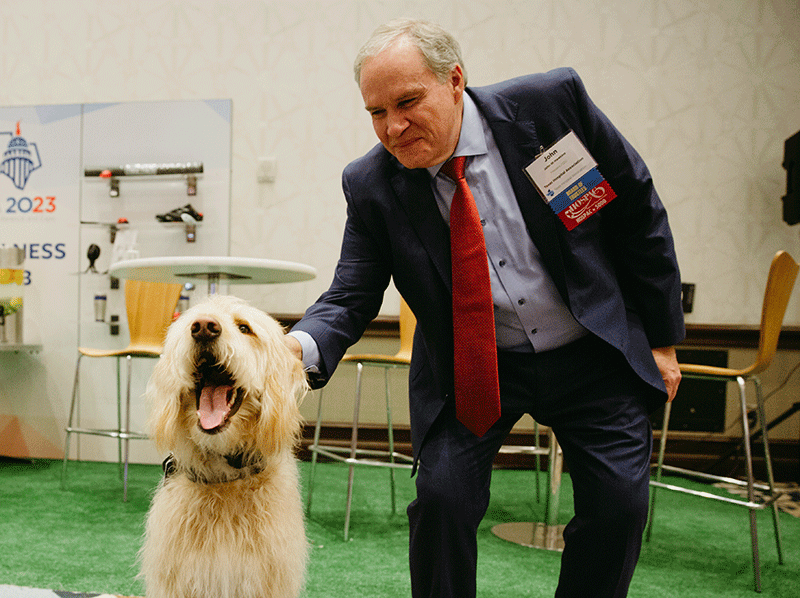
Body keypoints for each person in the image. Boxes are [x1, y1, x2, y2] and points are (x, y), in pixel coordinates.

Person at [285, 18, 683, 598]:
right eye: (376, 112)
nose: (392, 127)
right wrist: (295, 348)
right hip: (476, 365)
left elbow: (637, 210)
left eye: (407, 102)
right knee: (442, 501)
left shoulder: (547, 109)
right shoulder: (372, 183)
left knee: (619, 507)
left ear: (454, 80)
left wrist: (662, 339)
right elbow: (351, 293)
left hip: (590, 349)